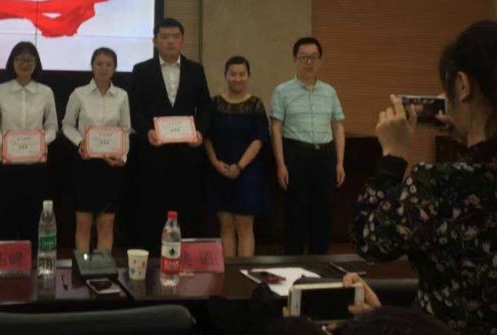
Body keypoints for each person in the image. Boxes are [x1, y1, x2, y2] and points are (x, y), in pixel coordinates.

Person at [351, 20, 497, 334]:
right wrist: (468, 133)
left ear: (462, 85)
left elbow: (368, 239)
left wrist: (393, 155)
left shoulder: (436, 185)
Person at [129, 17, 212, 250]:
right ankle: (152, 261)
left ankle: (184, 260)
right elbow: (134, 110)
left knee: (186, 209)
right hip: (153, 155)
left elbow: (206, 108)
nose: (170, 41)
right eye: (164, 37)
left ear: (183, 40)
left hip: (187, 156)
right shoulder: (141, 70)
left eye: (175, 36)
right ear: (155, 41)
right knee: (152, 210)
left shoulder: (196, 70)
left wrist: (199, 133)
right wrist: (147, 132)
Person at [270, 36, 345, 254]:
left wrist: (340, 162)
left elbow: (338, 127)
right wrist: (280, 164)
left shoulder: (329, 92)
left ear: (320, 61)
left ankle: (320, 267)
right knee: (295, 215)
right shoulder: (282, 91)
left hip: (325, 157)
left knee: (323, 216)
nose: (309, 62)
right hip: (296, 156)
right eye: (303, 57)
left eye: (313, 57)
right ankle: (293, 265)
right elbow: (275, 128)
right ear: (295, 59)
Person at [0, 41, 58, 245]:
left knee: (33, 218)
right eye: (20, 59)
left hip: (35, 166)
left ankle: (32, 262)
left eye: (29, 59)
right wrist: (7, 144)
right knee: (5, 217)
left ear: (36, 63)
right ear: (12, 62)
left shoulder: (46, 92)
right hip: (6, 166)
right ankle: (8, 261)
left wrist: (39, 143)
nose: (25, 64)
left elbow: (52, 127)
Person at [62, 47, 131, 251]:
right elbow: (67, 125)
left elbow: (126, 129)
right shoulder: (79, 94)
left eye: (109, 64)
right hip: (85, 164)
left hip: (110, 166)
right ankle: (82, 268)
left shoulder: (122, 96)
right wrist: (80, 142)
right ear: (91, 66)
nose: (104, 68)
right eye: (99, 64)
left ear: (115, 68)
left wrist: (123, 157)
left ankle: (103, 268)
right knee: (83, 223)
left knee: (106, 224)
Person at [205, 55, 270, 257]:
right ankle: (228, 274)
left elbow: (259, 139)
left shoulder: (255, 104)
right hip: (220, 171)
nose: (237, 78)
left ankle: (244, 274)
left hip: (247, 173)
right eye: (233, 74)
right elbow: (206, 137)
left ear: (248, 76)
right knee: (225, 227)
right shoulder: (214, 103)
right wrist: (215, 162)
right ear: (226, 75)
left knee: (244, 228)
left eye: (242, 74)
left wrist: (239, 166)